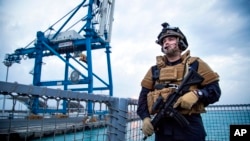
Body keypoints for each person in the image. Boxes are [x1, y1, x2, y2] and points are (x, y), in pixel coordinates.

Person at [137, 22, 221, 141]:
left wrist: (197, 94)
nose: (166, 42)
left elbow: (215, 91)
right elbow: (143, 98)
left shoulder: (195, 64)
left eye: (171, 39)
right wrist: (145, 118)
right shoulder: (154, 70)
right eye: (163, 41)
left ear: (180, 42)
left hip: (190, 127)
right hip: (163, 129)